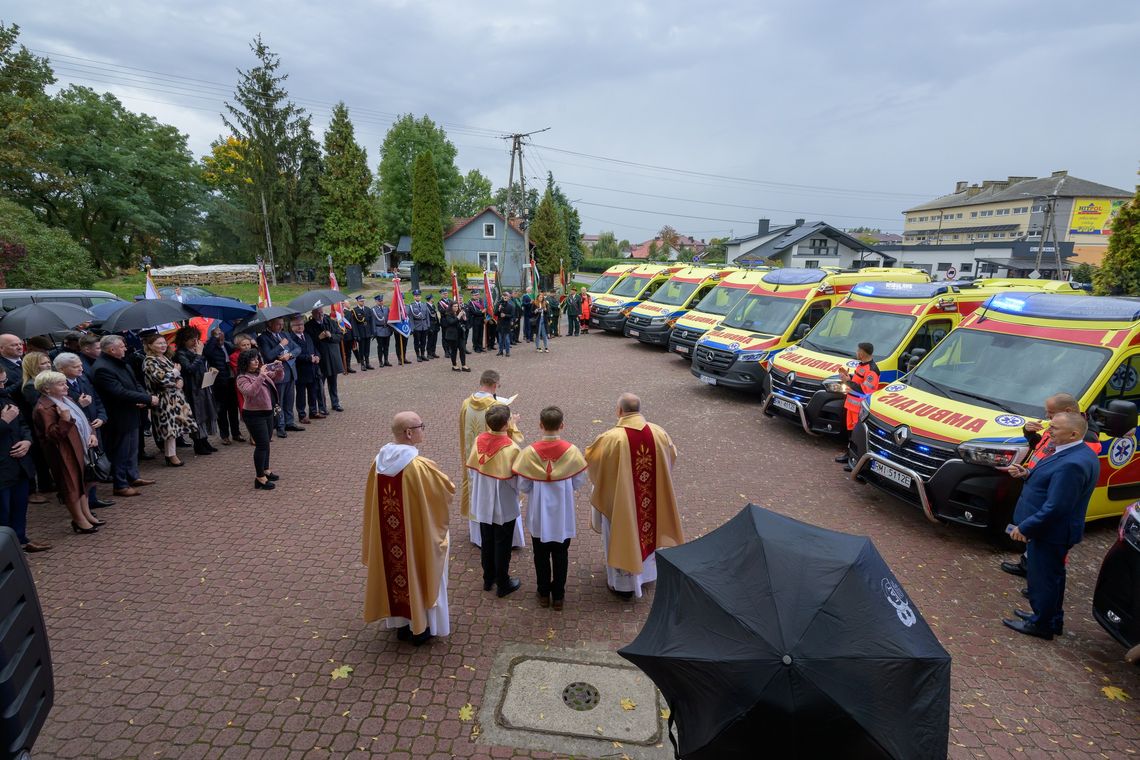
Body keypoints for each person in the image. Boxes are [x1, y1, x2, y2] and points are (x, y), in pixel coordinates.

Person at [1001, 412, 1099, 640]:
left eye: (1054, 428)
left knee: (1042, 579)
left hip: (1050, 532)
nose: (1049, 431)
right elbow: (1052, 487)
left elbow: (1057, 506)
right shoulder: (1075, 453)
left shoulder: (1072, 463)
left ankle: (1041, 624)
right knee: (1053, 577)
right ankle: (1051, 618)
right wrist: (1027, 474)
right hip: (1054, 531)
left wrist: (1026, 527)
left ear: (1074, 433)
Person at [363, 411, 455, 646]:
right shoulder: (419, 467)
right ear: (409, 433)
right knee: (420, 567)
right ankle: (422, 627)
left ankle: (402, 624)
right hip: (415, 536)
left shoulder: (378, 461)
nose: (424, 429)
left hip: (388, 537)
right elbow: (446, 491)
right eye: (421, 426)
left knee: (396, 570)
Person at [585, 393, 684, 599]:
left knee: (622, 532)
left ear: (619, 411)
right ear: (639, 409)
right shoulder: (659, 433)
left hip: (622, 502)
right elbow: (671, 456)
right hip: (651, 500)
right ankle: (646, 575)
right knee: (649, 528)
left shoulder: (611, 438)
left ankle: (623, 585)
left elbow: (593, 463)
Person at [998, 392, 1098, 579]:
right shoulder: (1061, 426)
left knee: (1048, 562)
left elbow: (1066, 470)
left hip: (1050, 492)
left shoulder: (1079, 436)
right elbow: (1043, 448)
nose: (1047, 418)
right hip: (1037, 482)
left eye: (1050, 413)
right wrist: (1029, 434)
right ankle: (1030, 567)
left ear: (1067, 411)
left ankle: (1040, 584)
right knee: (1037, 550)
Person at [515, 406, 588, 610]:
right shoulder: (572, 451)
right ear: (562, 426)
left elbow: (523, 485)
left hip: (539, 513)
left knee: (540, 554)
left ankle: (542, 592)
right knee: (561, 554)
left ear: (540, 425)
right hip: (562, 514)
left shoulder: (529, 453)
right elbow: (579, 480)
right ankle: (558, 596)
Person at [458, 370, 525, 548]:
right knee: (498, 495)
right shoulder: (495, 406)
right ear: (495, 385)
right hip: (496, 462)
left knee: (477, 491)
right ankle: (507, 540)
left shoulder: (466, 403)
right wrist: (514, 422)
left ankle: (478, 536)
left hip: (474, 459)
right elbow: (507, 436)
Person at [32, 370, 103, 534]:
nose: (66, 386)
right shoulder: (44, 408)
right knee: (71, 485)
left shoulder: (66, 399)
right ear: (47, 389)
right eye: (61, 384)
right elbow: (52, 435)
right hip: (63, 453)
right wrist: (64, 419)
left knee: (82, 482)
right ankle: (79, 520)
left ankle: (86, 514)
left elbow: (82, 419)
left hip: (80, 447)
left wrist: (92, 434)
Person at [466, 405, 523, 598]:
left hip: (482, 500)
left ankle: (488, 578)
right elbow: (518, 482)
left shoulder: (479, 440)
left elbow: (472, 471)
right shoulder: (511, 448)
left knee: (487, 540)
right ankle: (503, 583)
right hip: (503, 504)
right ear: (507, 423)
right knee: (503, 544)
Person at [91, 335, 157, 498]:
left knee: (132, 449)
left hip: (131, 411)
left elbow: (135, 383)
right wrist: (146, 399)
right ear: (112, 349)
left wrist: (142, 397)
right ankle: (120, 484)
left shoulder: (121, 362)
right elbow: (118, 392)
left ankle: (133, 476)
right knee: (121, 451)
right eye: (122, 346)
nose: (125, 348)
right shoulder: (103, 368)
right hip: (118, 416)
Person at [54, 352, 114, 510]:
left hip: (94, 428)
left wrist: (102, 417)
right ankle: (85, 504)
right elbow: (65, 413)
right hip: (78, 433)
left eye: (80, 365)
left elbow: (97, 399)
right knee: (84, 467)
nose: (81, 368)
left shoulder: (83, 378)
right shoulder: (59, 387)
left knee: (94, 462)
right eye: (75, 367)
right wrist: (81, 405)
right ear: (61, 369)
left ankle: (93, 498)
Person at [0, 368, 50, 552]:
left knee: (19, 507)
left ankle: (20, 539)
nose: (3, 386)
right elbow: (9, 421)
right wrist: (4, 422)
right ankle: (6, 551)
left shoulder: (5, 397)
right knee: (3, 512)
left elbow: (22, 423)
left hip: (19, 464)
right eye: (0, 383)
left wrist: (27, 441)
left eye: (4, 382)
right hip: (2, 468)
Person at [141, 333, 197, 468]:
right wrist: (176, 373)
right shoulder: (149, 361)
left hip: (175, 397)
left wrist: (180, 380)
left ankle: (171, 454)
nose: (163, 345)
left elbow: (176, 375)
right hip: (163, 399)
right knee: (168, 428)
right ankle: (171, 456)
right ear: (150, 346)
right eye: (159, 343)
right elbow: (161, 379)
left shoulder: (165, 358)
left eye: (164, 343)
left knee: (174, 427)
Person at [234, 349, 284, 491]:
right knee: (261, 445)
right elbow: (250, 392)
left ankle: (266, 469)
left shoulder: (258, 373)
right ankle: (259, 478)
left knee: (266, 443)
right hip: (254, 415)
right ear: (245, 362)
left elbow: (278, 378)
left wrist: (279, 368)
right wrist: (262, 375)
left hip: (268, 412)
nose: (256, 361)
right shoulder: (242, 378)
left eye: (257, 358)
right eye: (253, 359)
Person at [173, 326, 220, 456]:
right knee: (197, 415)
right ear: (184, 340)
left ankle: (204, 441)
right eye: (192, 339)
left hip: (202, 386)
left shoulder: (194, 350)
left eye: (196, 338)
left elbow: (202, 365)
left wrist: (209, 369)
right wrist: (199, 354)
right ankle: (198, 444)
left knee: (204, 413)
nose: (195, 341)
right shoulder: (180, 353)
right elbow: (189, 369)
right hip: (191, 390)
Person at [836, 342, 879, 472]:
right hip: (851, 405)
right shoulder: (861, 365)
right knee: (850, 433)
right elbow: (857, 381)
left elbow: (865, 390)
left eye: (858, 350)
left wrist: (846, 381)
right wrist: (848, 377)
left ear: (862, 353)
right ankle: (849, 455)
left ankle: (855, 461)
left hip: (860, 408)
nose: (856, 352)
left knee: (857, 436)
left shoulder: (872, 370)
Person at [257, 318, 304, 437]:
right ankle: (280, 425)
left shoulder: (285, 334)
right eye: (278, 324)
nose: (281, 327)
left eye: (282, 324)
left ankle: (289, 422)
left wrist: (290, 354)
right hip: (277, 374)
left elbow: (298, 348)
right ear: (270, 324)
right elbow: (268, 356)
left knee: (289, 399)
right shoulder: (263, 338)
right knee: (279, 402)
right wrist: (280, 345)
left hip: (290, 371)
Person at [204, 328, 243, 445]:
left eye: (222, 335)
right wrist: (213, 338)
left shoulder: (227, 345)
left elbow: (237, 348)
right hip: (219, 382)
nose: (221, 338)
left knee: (233, 409)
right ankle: (225, 435)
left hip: (231, 380)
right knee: (222, 410)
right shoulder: (211, 347)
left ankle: (236, 433)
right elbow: (207, 353)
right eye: (218, 336)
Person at [305, 307, 345, 412]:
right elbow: (308, 343)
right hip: (321, 358)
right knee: (320, 384)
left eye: (321, 312)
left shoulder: (330, 322)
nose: (320, 314)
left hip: (332, 357)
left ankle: (335, 403)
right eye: (317, 313)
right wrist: (319, 337)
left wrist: (331, 336)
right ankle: (322, 407)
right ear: (313, 314)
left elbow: (340, 336)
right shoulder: (308, 326)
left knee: (333, 382)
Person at [290, 317, 322, 423]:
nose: (300, 326)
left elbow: (314, 348)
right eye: (297, 325)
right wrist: (309, 358)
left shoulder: (307, 336)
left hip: (312, 369)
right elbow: (294, 355)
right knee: (301, 394)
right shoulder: (291, 339)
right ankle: (302, 415)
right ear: (292, 327)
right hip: (301, 370)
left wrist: (317, 356)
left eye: (302, 324)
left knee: (313, 391)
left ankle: (313, 411)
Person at [348, 295, 376, 371]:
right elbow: (354, 324)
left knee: (367, 349)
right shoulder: (354, 311)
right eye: (361, 301)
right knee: (362, 349)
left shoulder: (368, 309)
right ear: (357, 301)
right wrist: (356, 334)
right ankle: (362, 364)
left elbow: (371, 321)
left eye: (363, 301)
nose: (362, 302)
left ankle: (367, 363)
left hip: (367, 332)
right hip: (360, 333)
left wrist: (373, 332)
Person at [440, 301, 469, 372]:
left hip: (460, 334)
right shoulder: (448, 314)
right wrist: (459, 316)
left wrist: (464, 317)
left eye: (457, 306)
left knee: (462, 349)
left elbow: (464, 322)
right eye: (454, 306)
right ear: (451, 307)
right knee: (454, 351)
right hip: (452, 335)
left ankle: (464, 365)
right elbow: (451, 322)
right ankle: (454, 365)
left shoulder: (459, 312)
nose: (456, 308)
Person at [409, 290, 432, 362]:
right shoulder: (411, 306)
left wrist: (428, 325)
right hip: (416, 326)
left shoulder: (424, 304)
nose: (418, 297)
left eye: (419, 295)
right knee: (417, 342)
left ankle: (422, 354)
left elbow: (427, 316)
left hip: (424, 326)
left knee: (423, 341)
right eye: (416, 296)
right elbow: (411, 318)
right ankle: (418, 356)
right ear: (414, 297)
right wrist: (412, 328)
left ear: (420, 296)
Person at [372, 295, 392, 367]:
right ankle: (380, 361)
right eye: (379, 301)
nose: (381, 302)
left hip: (387, 329)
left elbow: (390, 319)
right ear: (376, 301)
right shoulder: (373, 309)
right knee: (380, 346)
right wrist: (374, 332)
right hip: (379, 330)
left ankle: (386, 360)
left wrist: (391, 329)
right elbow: (373, 322)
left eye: (382, 301)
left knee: (386, 346)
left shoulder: (386, 308)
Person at [425, 293, 441, 359]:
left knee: (434, 340)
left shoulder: (433, 306)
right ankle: (429, 353)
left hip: (435, 325)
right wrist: (428, 327)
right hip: (430, 326)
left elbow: (436, 316)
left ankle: (433, 352)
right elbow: (427, 317)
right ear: (430, 299)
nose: (433, 299)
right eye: (432, 298)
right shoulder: (426, 306)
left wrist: (438, 324)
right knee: (430, 340)